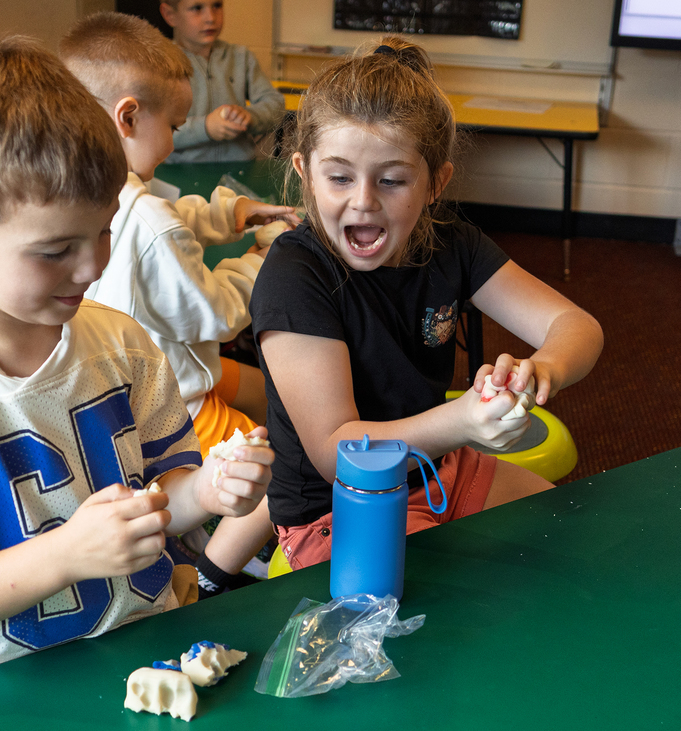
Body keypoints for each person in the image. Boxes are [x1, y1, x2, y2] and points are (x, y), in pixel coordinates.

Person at [0, 35, 273, 683]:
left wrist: (210, 489)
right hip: (8, 682)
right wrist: (66, 555)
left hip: (146, 645)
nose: (93, 265)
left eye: (103, 230)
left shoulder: (124, 345)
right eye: (54, 249)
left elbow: (163, 498)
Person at [250, 37, 604, 570]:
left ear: (436, 182)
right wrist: (461, 422)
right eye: (339, 177)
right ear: (304, 171)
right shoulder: (294, 275)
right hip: (337, 509)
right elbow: (337, 454)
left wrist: (539, 369)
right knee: (459, 619)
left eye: (392, 180)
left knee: (575, 548)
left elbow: (576, 326)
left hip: (441, 468)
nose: (364, 200)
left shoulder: (451, 242)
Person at [60, 12, 294, 599]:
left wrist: (235, 214)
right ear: (129, 116)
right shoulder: (147, 220)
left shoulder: (96, 188)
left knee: (272, 391)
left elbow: (174, 215)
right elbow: (216, 313)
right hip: (173, 398)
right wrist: (266, 256)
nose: (176, 137)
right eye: (175, 124)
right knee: (283, 462)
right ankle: (217, 569)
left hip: (135, 385)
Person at [159, 0, 285, 163]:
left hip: (239, 170)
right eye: (197, 8)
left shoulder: (242, 57)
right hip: (181, 173)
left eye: (217, 6)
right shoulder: (158, 64)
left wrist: (250, 117)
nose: (210, 18)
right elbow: (152, 132)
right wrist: (205, 128)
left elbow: (276, 105)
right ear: (170, 15)